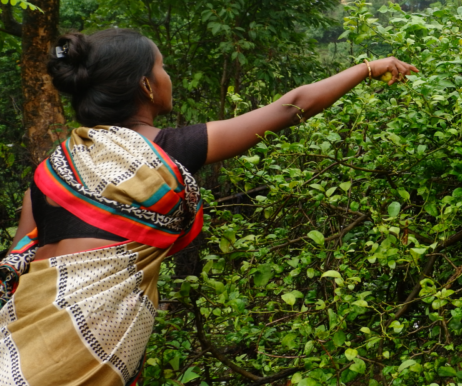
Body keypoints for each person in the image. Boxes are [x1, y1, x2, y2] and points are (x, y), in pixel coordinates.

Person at [0, 28, 416, 386]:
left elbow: (16, 267)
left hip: (18, 342)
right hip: (75, 352)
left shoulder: (49, 172)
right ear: (146, 84)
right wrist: (367, 68)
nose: (168, 76)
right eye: (162, 68)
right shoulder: (160, 152)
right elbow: (295, 106)